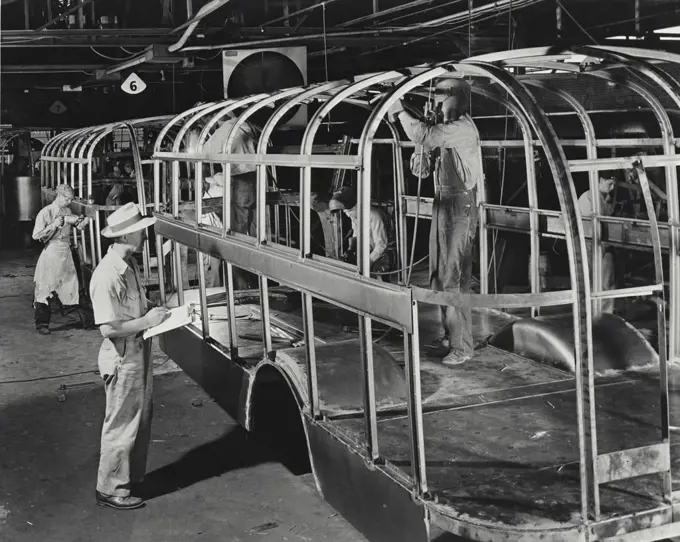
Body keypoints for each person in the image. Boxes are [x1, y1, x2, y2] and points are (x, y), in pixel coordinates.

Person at [388, 79, 483, 366]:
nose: (436, 104)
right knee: (439, 276)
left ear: (456, 98)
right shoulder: (441, 130)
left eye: (440, 98)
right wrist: (420, 147)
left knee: (453, 278)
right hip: (442, 206)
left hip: (460, 208)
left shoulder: (461, 128)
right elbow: (421, 171)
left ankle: (462, 347)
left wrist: (399, 112)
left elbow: (425, 135)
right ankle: (451, 333)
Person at [89, 202, 170, 510]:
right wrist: (147, 322)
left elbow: (133, 305)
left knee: (138, 420)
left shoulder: (128, 265)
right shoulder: (107, 274)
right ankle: (109, 489)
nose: (144, 236)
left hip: (137, 351)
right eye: (139, 232)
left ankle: (128, 479)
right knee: (121, 424)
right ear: (124, 237)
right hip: (122, 357)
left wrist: (153, 309)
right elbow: (108, 328)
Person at [202, 116, 259, 289]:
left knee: (236, 238)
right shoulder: (246, 124)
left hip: (239, 179)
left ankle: (241, 287)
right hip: (251, 179)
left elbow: (204, 151)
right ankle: (244, 284)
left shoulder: (226, 129)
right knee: (244, 233)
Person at [32, 184, 90, 334]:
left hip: (66, 253)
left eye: (71, 199)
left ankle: (83, 320)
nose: (69, 202)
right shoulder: (46, 212)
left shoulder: (67, 211)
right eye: (67, 198)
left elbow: (77, 225)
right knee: (45, 288)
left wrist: (81, 222)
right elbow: (36, 235)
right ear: (59, 195)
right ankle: (42, 325)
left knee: (72, 286)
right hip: (51, 253)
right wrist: (53, 225)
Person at [577, 172, 620, 314]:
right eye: (610, 184)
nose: (612, 188)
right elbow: (588, 225)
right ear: (601, 180)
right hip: (589, 244)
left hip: (605, 245)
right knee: (590, 281)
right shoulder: (587, 197)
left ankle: (606, 316)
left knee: (608, 281)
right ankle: (589, 314)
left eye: (614, 184)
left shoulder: (607, 198)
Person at [328, 186, 391, 276]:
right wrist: (350, 248)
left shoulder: (373, 216)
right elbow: (356, 233)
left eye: (349, 211)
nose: (348, 215)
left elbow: (382, 245)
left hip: (380, 258)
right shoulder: (354, 215)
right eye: (345, 212)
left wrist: (369, 261)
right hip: (367, 252)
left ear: (357, 206)